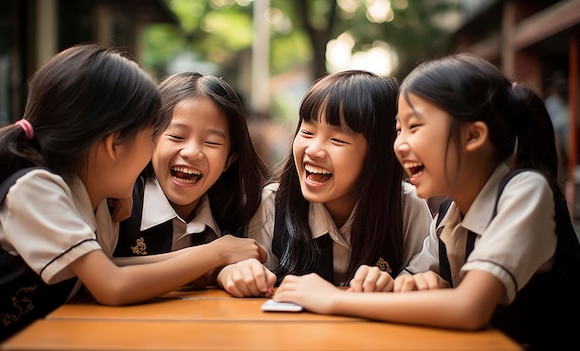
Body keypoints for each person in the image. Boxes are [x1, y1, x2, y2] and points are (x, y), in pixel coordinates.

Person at [0, 44, 264, 351]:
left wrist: (209, 259)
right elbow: (112, 286)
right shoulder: (38, 191)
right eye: (150, 138)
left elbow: (111, 267)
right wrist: (216, 254)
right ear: (114, 145)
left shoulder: (94, 204)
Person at [272, 53, 580, 350]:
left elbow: (469, 308)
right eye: (397, 130)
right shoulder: (450, 214)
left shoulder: (525, 191)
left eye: (414, 127)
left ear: (473, 136)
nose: (399, 145)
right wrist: (389, 283)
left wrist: (333, 299)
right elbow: (409, 283)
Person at [217, 70, 432, 297]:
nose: (313, 150)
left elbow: (422, 282)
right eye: (307, 132)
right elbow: (248, 273)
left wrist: (397, 284)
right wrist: (238, 271)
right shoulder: (273, 204)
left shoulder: (407, 207)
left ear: (378, 154)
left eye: (337, 139)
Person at [112, 72, 271, 287]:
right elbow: (99, 273)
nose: (192, 152)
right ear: (149, 141)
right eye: (177, 136)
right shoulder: (116, 204)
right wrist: (214, 258)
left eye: (212, 142)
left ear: (229, 160)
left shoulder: (238, 217)